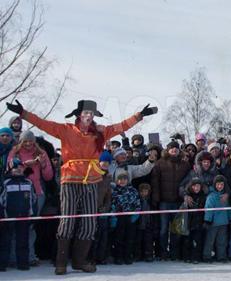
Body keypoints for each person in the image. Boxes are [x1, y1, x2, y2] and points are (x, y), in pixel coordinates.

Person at [5, 99, 157, 275]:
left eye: (91, 114)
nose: (89, 116)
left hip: (92, 179)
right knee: (68, 220)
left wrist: (139, 116)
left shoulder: (100, 132)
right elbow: (43, 123)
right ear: (79, 114)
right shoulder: (66, 129)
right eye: (85, 113)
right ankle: (61, 262)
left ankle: (79, 261)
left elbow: (120, 126)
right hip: (70, 178)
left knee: (89, 221)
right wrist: (23, 113)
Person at [6, 130, 53, 265]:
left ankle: (30, 256)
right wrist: (27, 163)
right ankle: (12, 257)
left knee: (30, 225)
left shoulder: (41, 153)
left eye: (30, 141)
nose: (28, 144)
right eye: (25, 141)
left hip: (36, 192)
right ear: (20, 141)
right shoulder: (14, 152)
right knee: (14, 224)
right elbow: (9, 168)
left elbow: (48, 176)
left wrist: (43, 164)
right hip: (16, 191)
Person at [151, 141, 191, 260]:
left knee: (176, 229)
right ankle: (163, 252)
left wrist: (184, 195)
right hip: (164, 202)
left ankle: (174, 252)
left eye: (176, 148)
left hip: (178, 201)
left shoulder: (185, 164)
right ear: (167, 150)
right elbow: (155, 181)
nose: (174, 150)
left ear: (179, 150)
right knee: (163, 229)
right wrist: (156, 198)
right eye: (171, 148)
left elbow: (189, 181)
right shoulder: (160, 163)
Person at [0, 160, 37, 271]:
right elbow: (1, 201)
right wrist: (2, 215)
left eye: (20, 167)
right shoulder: (6, 182)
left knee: (23, 241)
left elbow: (33, 200)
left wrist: (33, 215)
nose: (18, 169)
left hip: (24, 216)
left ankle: (23, 264)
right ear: (10, 170)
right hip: (8, 216)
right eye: (15, 168)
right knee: (5, 241)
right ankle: (2, 264)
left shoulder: (28, 183)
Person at [111, 173, 141, 265]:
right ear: (117, 181)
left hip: (130, 217)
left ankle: (128, 256)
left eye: (124, 179)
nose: (122, 181)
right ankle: (118, 257)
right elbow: (112, 204)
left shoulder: (133, 191)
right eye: (120, 179)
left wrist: (135, 215)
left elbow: (137, 203)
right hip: (119, 217)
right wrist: (114, 216)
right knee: (119, 238)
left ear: (128, 180)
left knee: (130, 238)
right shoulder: (114, 191)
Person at [90, 151, 113, 265]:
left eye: (107, 163)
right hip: (90, 209)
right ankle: (91, 257)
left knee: (103, 234)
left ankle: (101, 257)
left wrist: (105, 207)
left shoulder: (108, 177)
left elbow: (108, 195)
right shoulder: (92, 174)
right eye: (103, 162)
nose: (105, 164)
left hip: (102, 210)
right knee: (92, 235)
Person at [203, 175, 231, 263]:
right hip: (213, 223)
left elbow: (228, 208)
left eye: (222, 185)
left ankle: (221, 256)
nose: (220, 186)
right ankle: (207, 256)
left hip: (223, 222)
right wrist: (207, 220)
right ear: (215, 185)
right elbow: (208, 209)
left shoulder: (225, 196)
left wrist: (230, 218)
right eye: (218, 184)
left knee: (222, 241)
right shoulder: (211, 196)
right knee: (210, 241)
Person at [182, 178, 206, 264]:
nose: (196, 188)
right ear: (191, 187)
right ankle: (186, 257)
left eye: (198, 186)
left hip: (198, 222)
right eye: (194, 186)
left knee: (197, 241)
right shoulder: (187, 196)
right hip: (188, 222)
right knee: (187, 241)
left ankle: (196, 257)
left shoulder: (203, 196)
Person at [135, 183, 154, 262]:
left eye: (146, 191)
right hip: (139, 223)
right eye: (142, 192)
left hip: (148, 224)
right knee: (138, 240)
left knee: (148, 241)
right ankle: (138, 255)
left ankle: (148, 255)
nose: (144, 193)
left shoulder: (151, 201)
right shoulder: (137, 200)